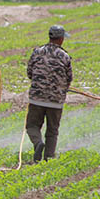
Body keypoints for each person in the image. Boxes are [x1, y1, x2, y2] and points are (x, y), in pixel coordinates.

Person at [26, 25, 73, 162]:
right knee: (52, 131)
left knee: (32, 126)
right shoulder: (64, 56)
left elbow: (30, 72)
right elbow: (69, 78)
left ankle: (37, 143)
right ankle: (49, 158)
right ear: (61, 39)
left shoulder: (37, 52)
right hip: (56, 100)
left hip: (36, 98)